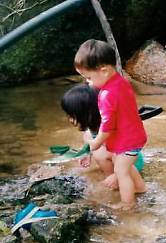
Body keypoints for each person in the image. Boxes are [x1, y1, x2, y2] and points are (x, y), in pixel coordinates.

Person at [74, 39, 147, 210]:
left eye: (89, 77)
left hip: (127, 142)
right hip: (134, 137)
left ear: (104, 71)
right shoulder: (121, 81)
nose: (88, 83)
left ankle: (127, 204)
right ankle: (141, 188)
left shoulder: (107, 95)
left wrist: (96, 142)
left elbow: (107, 126)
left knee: (121, 173)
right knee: (126, 167)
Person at [60, 84, 145, 185]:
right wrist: (87, 152)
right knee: (90, 139)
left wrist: (118, 175)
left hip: (131, 163)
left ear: (88, 115)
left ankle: (117, 178)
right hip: (117, 159)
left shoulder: (109, 130)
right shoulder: (93, 127)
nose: (70, 120)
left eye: (72, 116)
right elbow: (92, 138)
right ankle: (111, 176)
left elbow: (129, 154)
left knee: (101, 152)